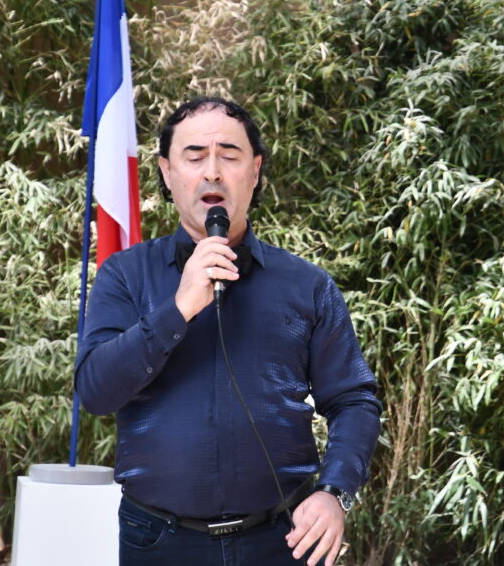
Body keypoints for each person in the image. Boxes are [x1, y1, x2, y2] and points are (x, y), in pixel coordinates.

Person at [75, 97, 382, 566]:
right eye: (194, 156)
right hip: (158, 539)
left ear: (255, 171)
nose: (212, 172)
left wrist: (335, 492)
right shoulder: (125, 275)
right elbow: (95, 391)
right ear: (166, 171)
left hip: (283, 538)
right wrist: (180, 307)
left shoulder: (307, 285)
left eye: (230, 155)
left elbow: (354, 400)